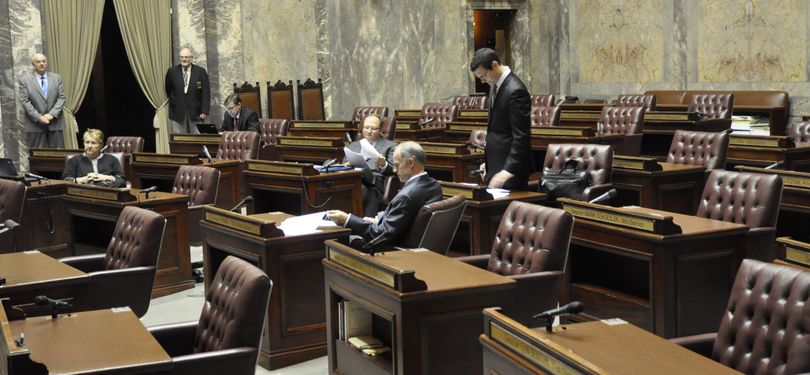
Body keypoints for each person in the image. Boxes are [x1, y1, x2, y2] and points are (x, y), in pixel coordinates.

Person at [326, 141, 442, 246]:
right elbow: (402, 218)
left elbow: (380, 235)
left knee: (336, 240)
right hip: (411, 242)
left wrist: (347, 219)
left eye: (396, 165)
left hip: (391, 251)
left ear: (411, 162)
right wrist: (378, 220)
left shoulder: (407, 196)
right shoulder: (434, 186)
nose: (395, 170)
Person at [469, 48, 532, 190]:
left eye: (483, 76)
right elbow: (496, 130)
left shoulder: (516, 90)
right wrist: (489, 162)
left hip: (510, 173)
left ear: (495, 65)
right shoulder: (495, 86)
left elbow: (521, 137)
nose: (483, 81)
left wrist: (507, 170)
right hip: (496, 168)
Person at [344, 114, 398, 217]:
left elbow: (394, 170)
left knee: (363, 189)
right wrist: (346, 165)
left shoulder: (391, 146)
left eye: (373, 129)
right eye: (366, 128)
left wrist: (383, 164)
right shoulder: (354, 145)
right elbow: (344, 164)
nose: (368, 131)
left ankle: (364, 223)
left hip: (374, 184)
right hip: (353, 179)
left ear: (381, 129)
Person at [18, 53, 66, 148]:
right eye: (38, 62)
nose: (41, 64)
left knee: (58, 155)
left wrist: (51, 114)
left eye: (43, 61)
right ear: (33, 64)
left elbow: (62, 98)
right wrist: (39, 117)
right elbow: (25, 101)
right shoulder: (24, 80)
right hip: (35, 124)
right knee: (37, 156)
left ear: (46, 63)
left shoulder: (56, 78)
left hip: (55, 122)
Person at [165, 47, 210, 134]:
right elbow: (168, 89)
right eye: (181, 57)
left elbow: (206, 93)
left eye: (186, 57)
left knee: (198, 140)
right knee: (179, 141)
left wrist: (204, 111)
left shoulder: (200, 71)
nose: (184, 59)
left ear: (191, 58)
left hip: (196, 113)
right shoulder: (172, 71)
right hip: (177, 113)